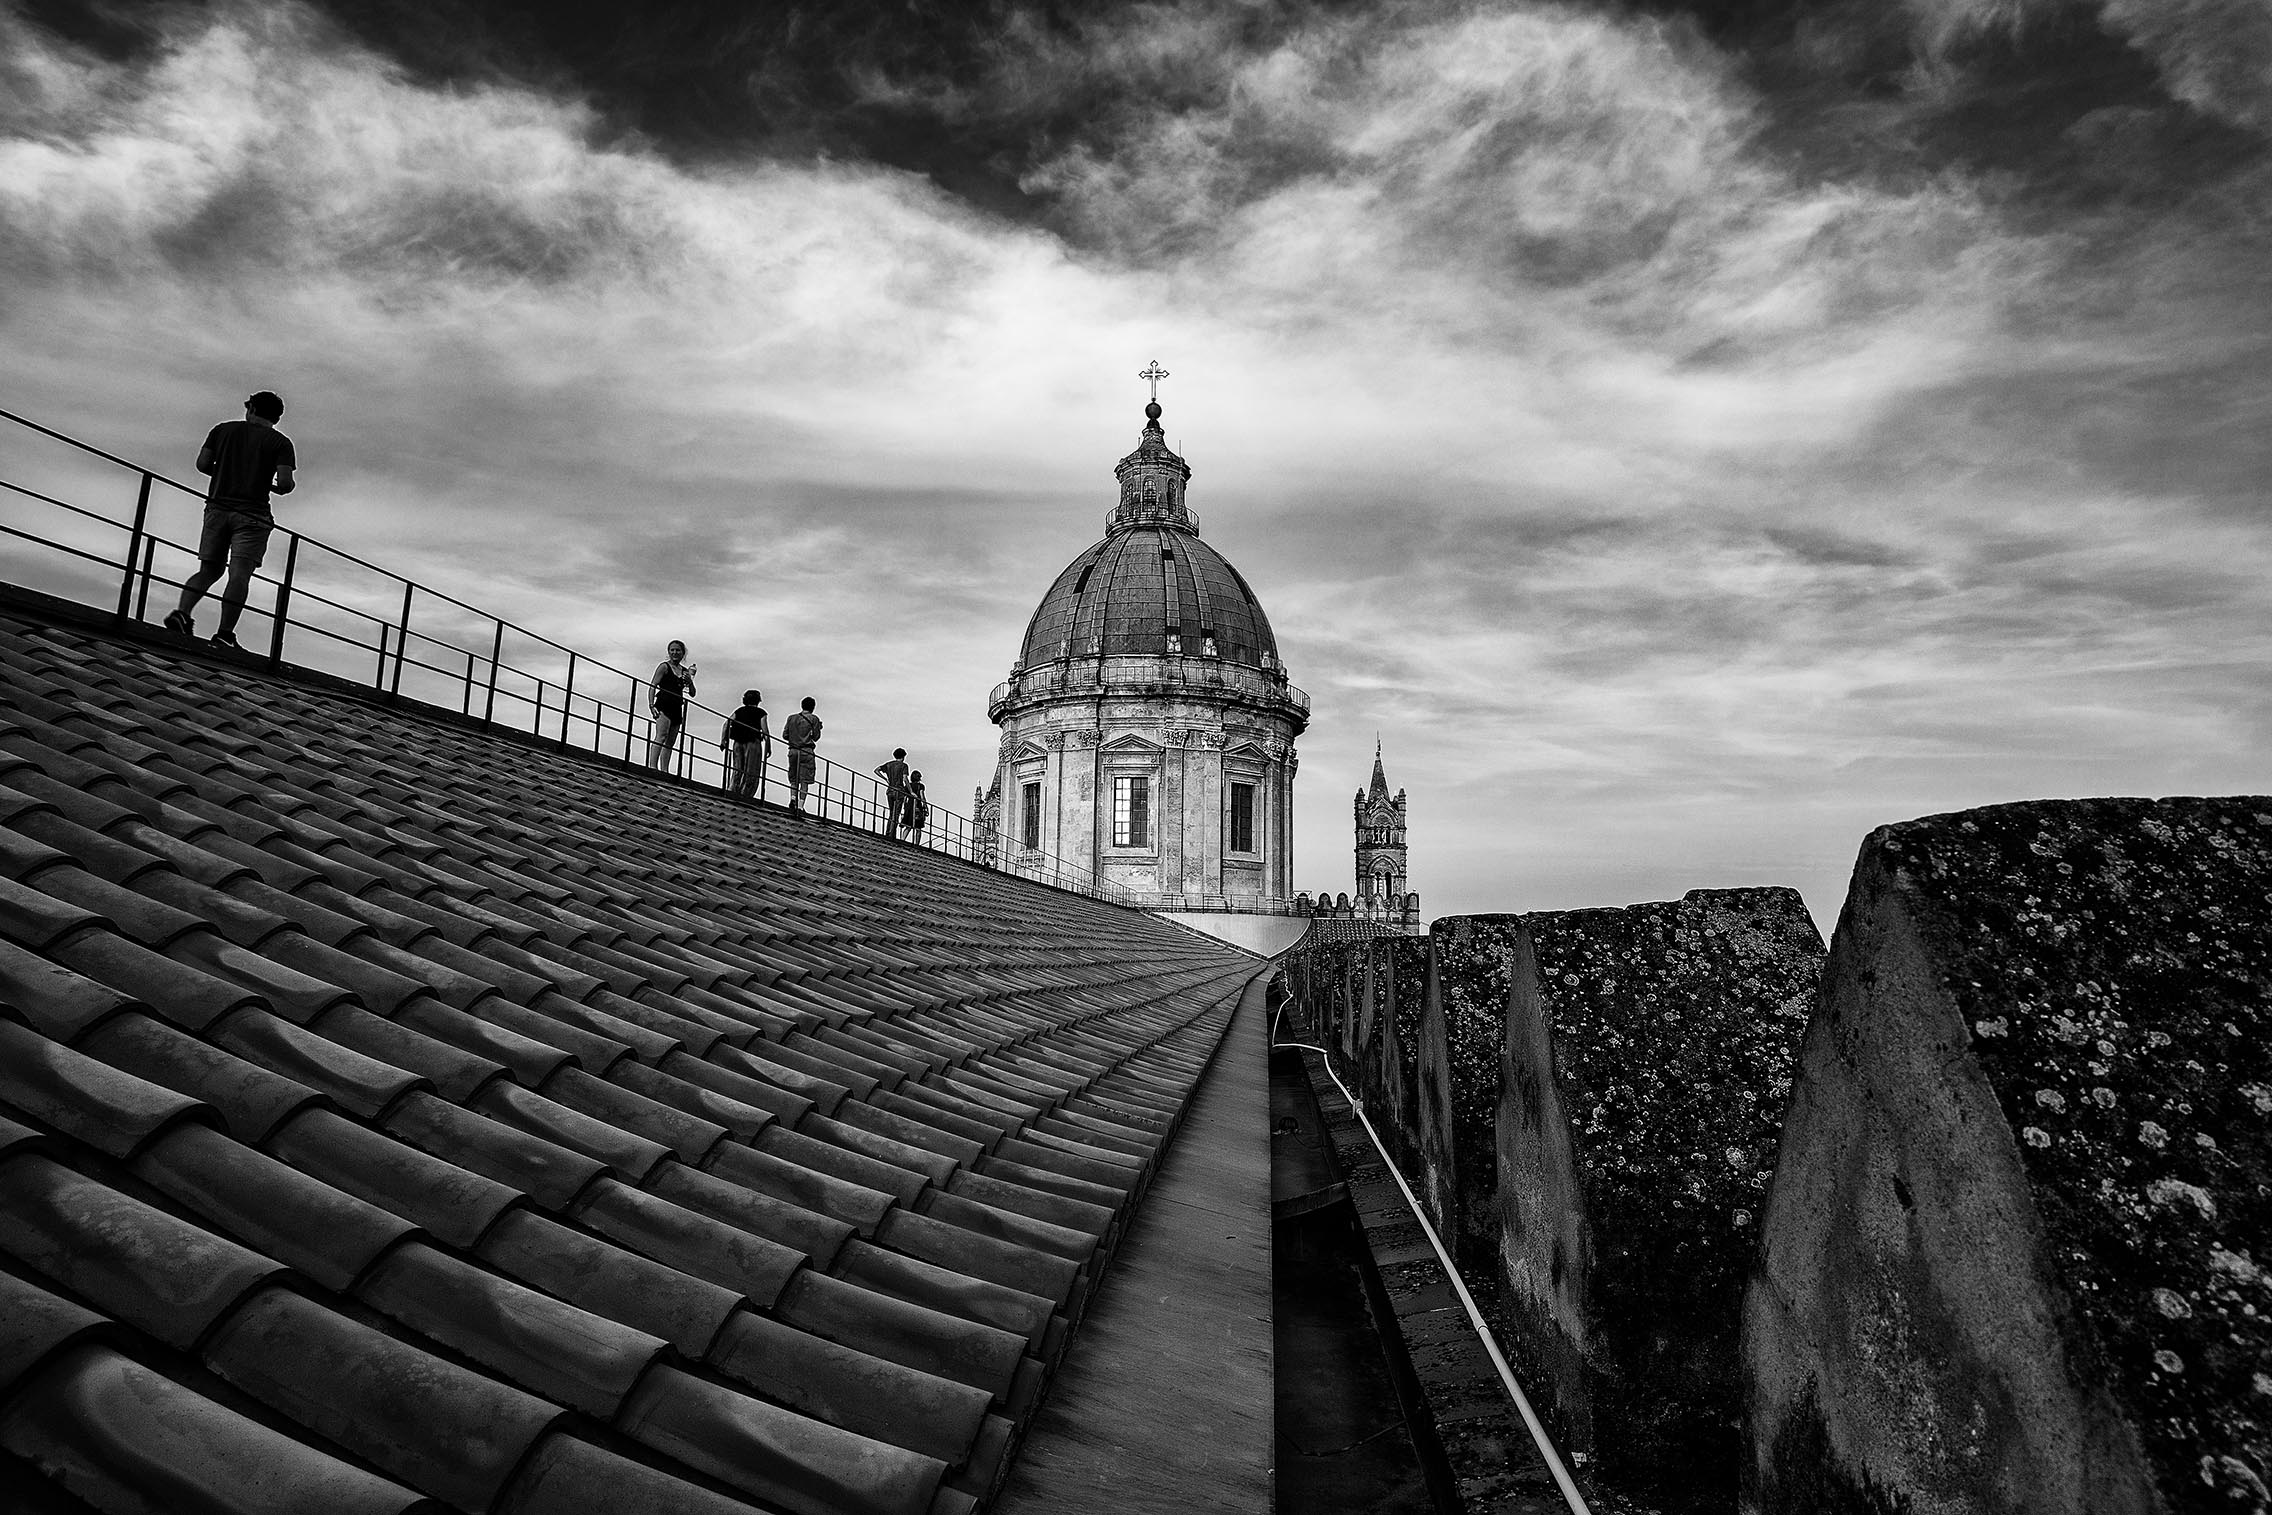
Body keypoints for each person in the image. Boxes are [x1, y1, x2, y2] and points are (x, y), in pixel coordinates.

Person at [166, 390, 298, 650]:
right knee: (239, 575)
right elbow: (285, 482)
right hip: (252, 515)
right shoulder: (280, 443)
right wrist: (274, 487)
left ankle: (182, 613)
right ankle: (224, 634)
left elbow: (203, 464)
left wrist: (225, 474)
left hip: (217, 508)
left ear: (251, 409)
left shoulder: (222, 430)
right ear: (277, 418)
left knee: (209, 569)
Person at [648, 641, 695, 769]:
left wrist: (690, 682)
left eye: (678, 650)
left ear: (683, 653)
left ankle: (664, 769)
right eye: (672, 650)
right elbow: (653, 686)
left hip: (677, 706)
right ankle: (652, 766)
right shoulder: (664, 667)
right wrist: (651, 705)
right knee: (661, 735)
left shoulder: (685, 671)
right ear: (668, 652)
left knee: (670, 741)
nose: (675, 653)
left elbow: (692, 693)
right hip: (663, 703)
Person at [721, 689, 770, 801]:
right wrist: (768, 746)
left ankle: (732, 792)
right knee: (751, 772)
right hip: (753, 743)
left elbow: (726, 723)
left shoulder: (739, 711)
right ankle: (745, 796)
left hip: (738, 742)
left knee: (737, 770)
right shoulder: (761, 713)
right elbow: (765, 731)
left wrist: (723, 740)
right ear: (758, 700)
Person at [781, 697, 822, 816]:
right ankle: (800, 806)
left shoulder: (791, 718)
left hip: (793, 750)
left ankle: (792, 799)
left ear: (802, 705)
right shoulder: (814, 719)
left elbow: (785, 735)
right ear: (813, 707)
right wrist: (818, 728)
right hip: (806, 751)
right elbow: (816, 737)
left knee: (794, 778)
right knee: (805, 780)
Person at [875, 747, 910, 835]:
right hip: (899, 791)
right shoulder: (904, 766)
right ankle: (892, 834)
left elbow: (876, 770)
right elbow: (905, 779)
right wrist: (911, 791)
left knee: (891, 812)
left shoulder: (888, 764)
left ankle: (888, 832)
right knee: (896, 814)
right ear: (903, 756)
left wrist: (885, 779)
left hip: (890, 790)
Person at [901, 770, 929, 841]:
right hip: (918, 806)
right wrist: (925, 806)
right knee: (918, 828)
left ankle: (902, 839)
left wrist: (904, 807)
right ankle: (917, 844)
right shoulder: (921, 786)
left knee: (908, 826)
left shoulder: (908, 786)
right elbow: (922, 797)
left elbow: (904, 798)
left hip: (909, 806)